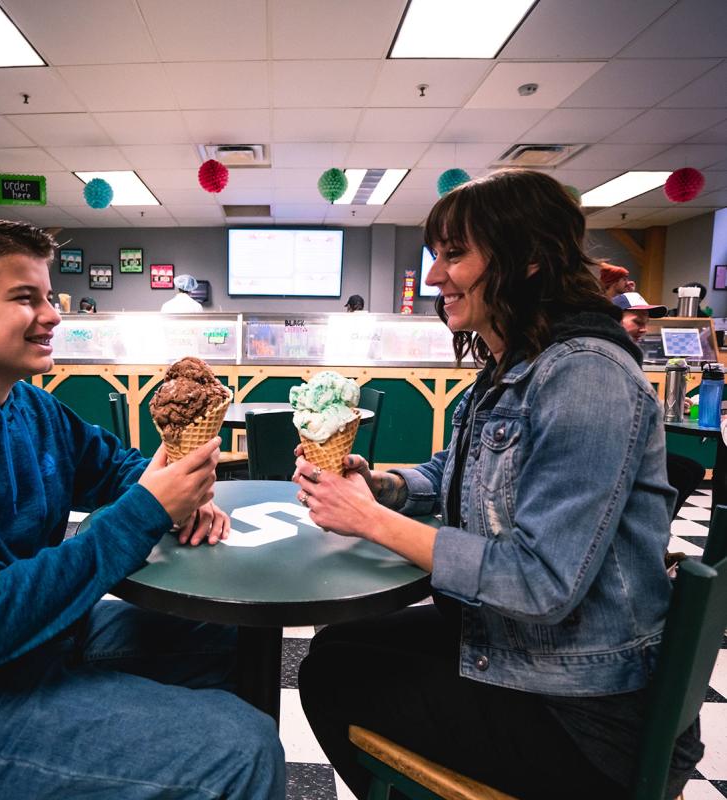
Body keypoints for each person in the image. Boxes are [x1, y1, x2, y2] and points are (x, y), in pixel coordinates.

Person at [0, 213, 284, 800]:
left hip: (43, 645)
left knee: (230, 633)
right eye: (24, 297)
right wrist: (146, 509)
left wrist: (172, 493)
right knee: (241, 750)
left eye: (48, 295)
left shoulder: (30, 407)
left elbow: (115, 468)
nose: (54, 314)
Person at [293, 170, 702, 800]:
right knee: (336, 648)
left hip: (586, 713)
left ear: (528, 259)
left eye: (454, 255)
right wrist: (380, 486)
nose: (433, 277)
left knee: (334, 680)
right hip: (527, 654)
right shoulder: (516, 364)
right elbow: (450, 474)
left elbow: (541, 584)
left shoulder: (585, 377)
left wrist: (371, 521)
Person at [610, 292, 705, 517]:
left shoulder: (627, 354)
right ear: (614, 319)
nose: (643, 329)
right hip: (613, 453)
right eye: (637, 322)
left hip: (626, 445)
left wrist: (662, 405)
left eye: (646, 324)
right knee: (683, 472)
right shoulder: (611, 354)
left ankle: (657, 543)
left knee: (690, 470)